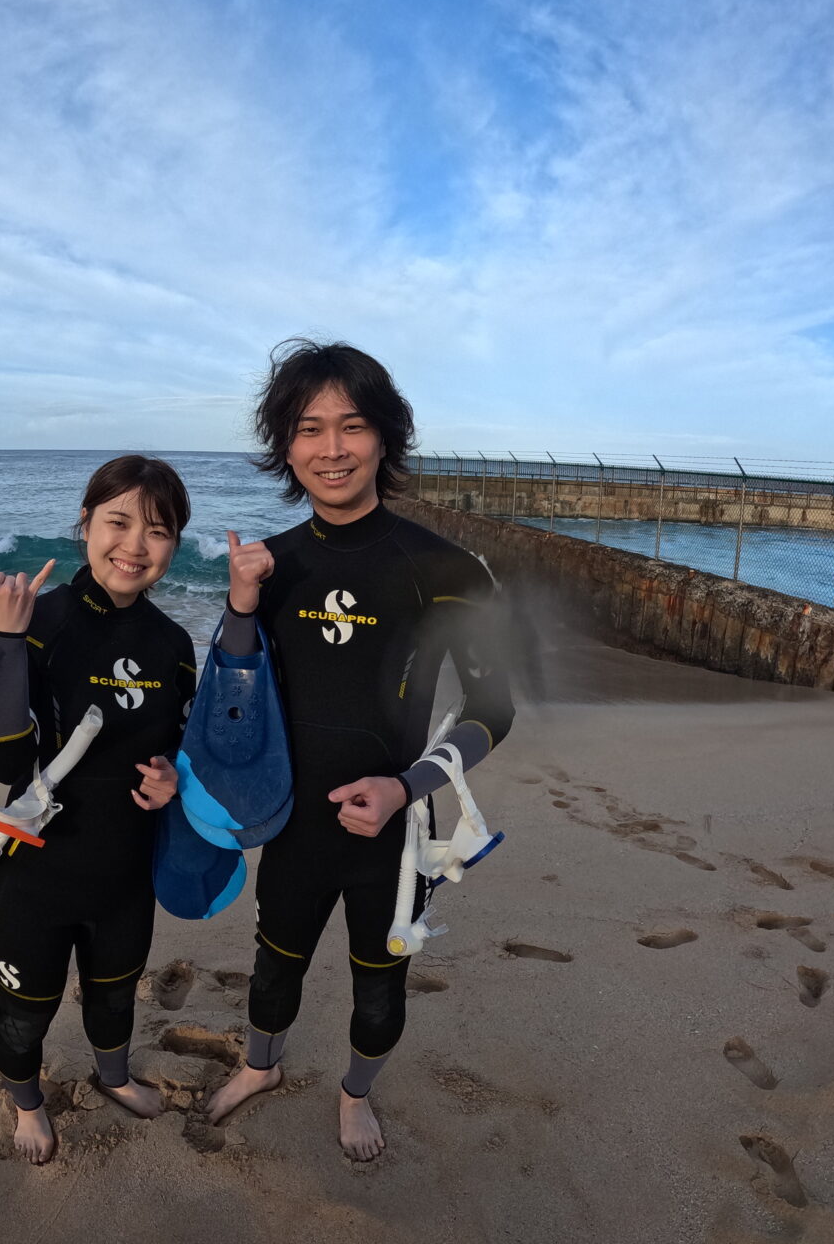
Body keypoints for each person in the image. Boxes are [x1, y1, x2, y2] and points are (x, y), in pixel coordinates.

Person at [203, 340, 515, 1160]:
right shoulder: (269, 565)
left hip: (396, 834)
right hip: (293, 827)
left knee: (379, 995)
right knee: (273, 971)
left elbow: (492, 710)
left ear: (385, 436)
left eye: (352, 425)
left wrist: (406, 787)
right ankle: (261, 1066)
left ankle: (354, 1094)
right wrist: (240, 605)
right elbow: (229, 703)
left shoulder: (447, 570)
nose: (331, 448)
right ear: (286, 447)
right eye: (309, 429)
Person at [0, 455, 197, 1165]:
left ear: (174, 544)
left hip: (125, 876)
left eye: (158, 531)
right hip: (36, 877)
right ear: (85, 524)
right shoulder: (41, 622)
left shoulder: (174, 646)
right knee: (24, 1016)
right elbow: (4, 764)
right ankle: (28, 1105)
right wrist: (3, 640)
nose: (135, 546)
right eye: (118, 522)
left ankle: (113, 1077)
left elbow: (181, 749)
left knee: (115, 999)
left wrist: (173, 780)